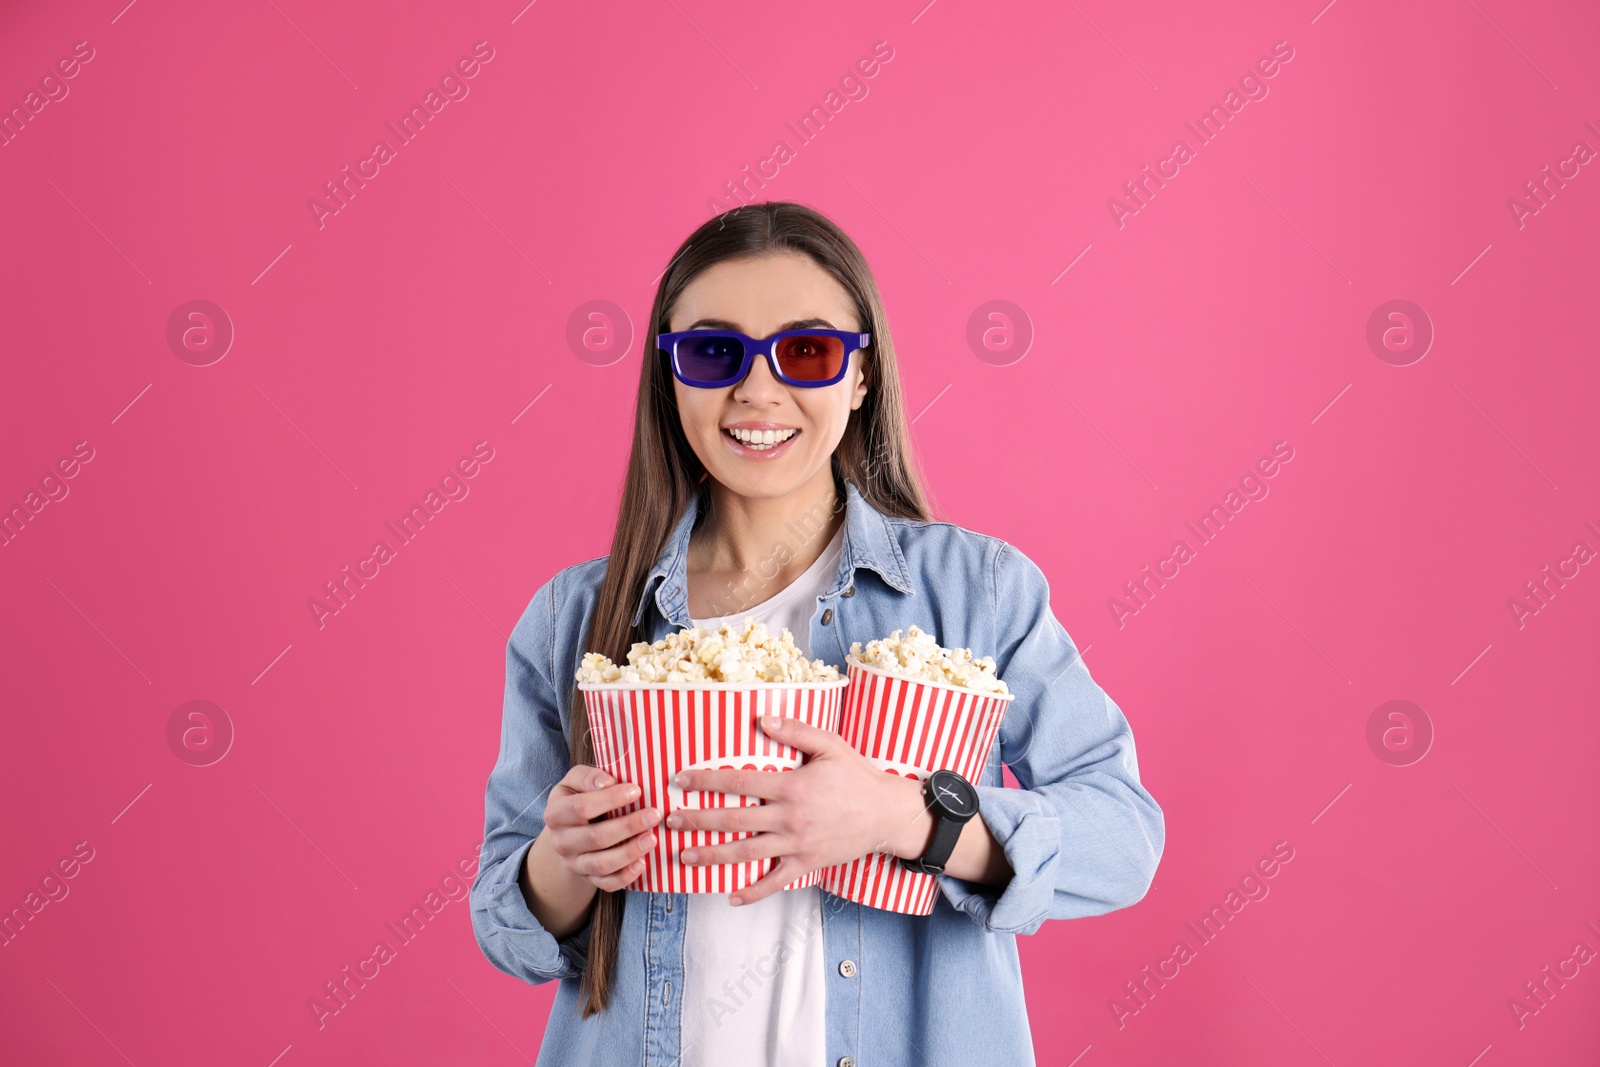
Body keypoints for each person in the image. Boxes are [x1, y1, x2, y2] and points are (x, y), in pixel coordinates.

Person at [469, 200, 1164, 1067]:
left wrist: (906, 818)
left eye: (805, 351)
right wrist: (564, 861)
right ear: (669, 375)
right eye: (713, 351)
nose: (758, 390)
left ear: (862, 376)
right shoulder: (575, 620)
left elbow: (1124, 838)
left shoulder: (976, 592)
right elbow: (507, 925)